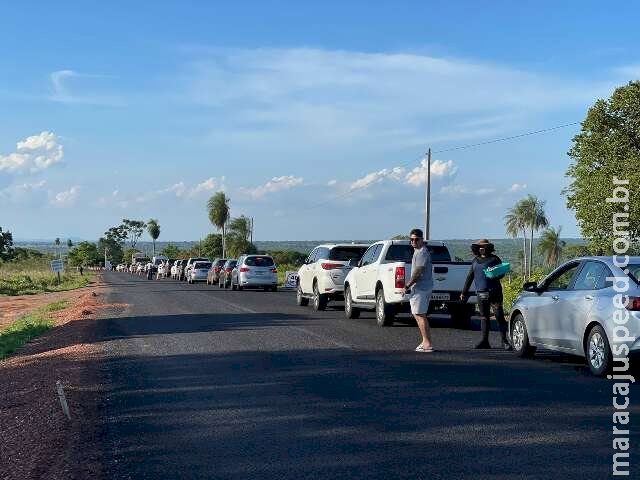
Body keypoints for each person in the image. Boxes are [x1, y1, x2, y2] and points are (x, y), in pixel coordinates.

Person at [460, 239, 511, 350]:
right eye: (479, 247)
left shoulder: (495, 259)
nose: (481, 248)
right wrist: (464, 292)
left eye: (484, 246)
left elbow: (501, 273)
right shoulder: (475, 261)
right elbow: (470, 277)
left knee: (499, 316)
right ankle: (484, 341)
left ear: (488, 248)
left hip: (495, 292)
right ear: (477, 249)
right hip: (481, 293)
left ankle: (504, 341)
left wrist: (495, 276)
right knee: (484, 317)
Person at [404, 228, 434, 353]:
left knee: (420, 315)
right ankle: (425, 341)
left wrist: (407, 285)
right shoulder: (419, 251)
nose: (414, 242)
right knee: (419, 314)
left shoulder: (421, 252)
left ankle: (427, 343)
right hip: (422, 288)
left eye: (416, 239)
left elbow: (418, 272)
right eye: (411, 239)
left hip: (421, 288)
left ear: (422, 240)